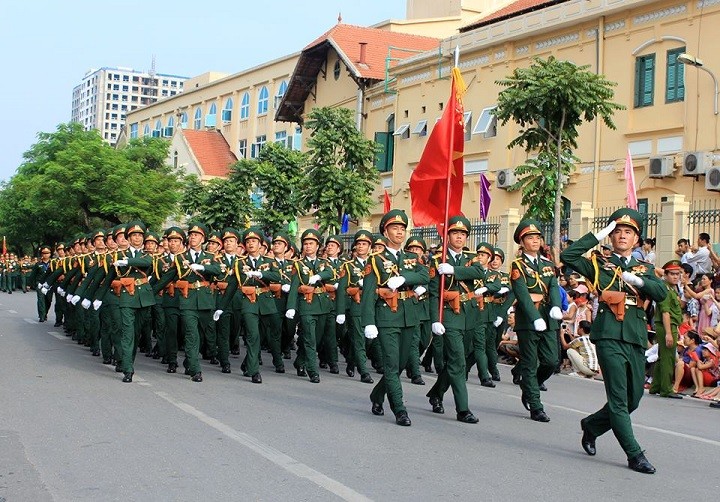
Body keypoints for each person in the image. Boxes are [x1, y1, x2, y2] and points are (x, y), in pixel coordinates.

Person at [561, 208, 667, 474]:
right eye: (617, 231)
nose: (622, 236)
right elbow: (568, 256)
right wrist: (597, 235)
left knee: (633, 399)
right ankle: (635, 454)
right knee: (619, 399)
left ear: (636, 239)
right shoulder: (599, 262)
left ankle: (593, 425)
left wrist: (638, 281)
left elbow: (661, 293)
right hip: (608, 333)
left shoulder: (646, 268)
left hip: (634, 336)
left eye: (628, 232)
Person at [361, 209, 429, 426]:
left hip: (409, 315)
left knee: (399, 365)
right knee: (391, 364)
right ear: (385, 231)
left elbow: (425, 275)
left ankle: (377, 395)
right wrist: (369, 322)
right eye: (394, 228)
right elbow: (369, 292)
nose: (399, 232)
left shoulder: (410, 257)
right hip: (387, 315)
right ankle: (400, 409)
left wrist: (403, 278)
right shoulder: (375, 260)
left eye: (402, 229)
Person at [426, 216, 484, 424]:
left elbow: (480, 272)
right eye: (455, 233)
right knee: (458, 362)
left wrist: (454, 270)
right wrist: (435, 319)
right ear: (447, 235)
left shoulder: (471, 256)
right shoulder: (436, 260)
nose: (459, 237)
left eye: (463, 234)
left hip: (469, 314)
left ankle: (436, 393)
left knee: (458, 361)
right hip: (449, 314)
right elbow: (434, 293)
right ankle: (463, 409)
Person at [510, 219, 563, 422]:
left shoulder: (548, 265)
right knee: (530, 363)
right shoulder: (518, 266)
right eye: (529, 238)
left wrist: (557, 306)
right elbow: (522, 294)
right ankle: (536, 405)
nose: (534, 241)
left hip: (548, 319)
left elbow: (553, 288)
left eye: (537, 237)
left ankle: (528, 385)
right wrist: (534, 317)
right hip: (528, 320)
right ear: (522, 242)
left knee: (551, 361)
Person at [648, 260, 684, 399]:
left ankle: (656, 386)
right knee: (668, 358)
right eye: (672, 274)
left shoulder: (672, 289)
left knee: (662, 356)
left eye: (678, 274)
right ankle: (666, 389)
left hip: (669, 326)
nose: (676, 277)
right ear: (666, 275)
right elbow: (665, 312)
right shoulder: (665, 289)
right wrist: (669, 333)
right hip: (666, 326)